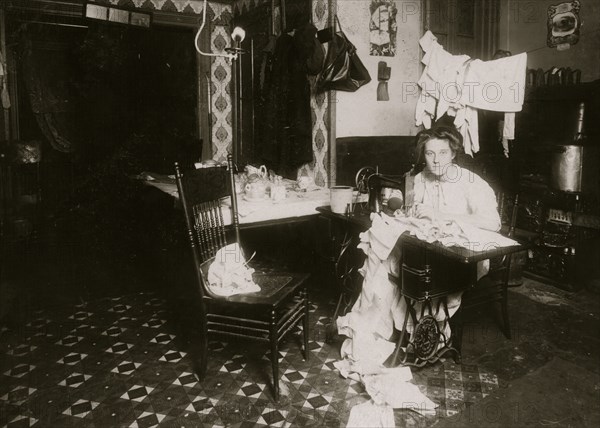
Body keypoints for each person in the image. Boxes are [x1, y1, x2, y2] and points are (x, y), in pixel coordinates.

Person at [336, 124, 501, 372]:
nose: (435, 161)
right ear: (423, 154)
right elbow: (406, 202)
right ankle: (378, 334)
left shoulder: (469, 182)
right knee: (384, 262)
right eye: (429, 153)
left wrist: (440, 214)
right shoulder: (421, 178)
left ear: (454, 153)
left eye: (442, 153)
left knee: (410, 275)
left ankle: (422, 338)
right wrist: (399, 204)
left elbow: (493, 223)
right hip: (426, 249)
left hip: (462, 256)